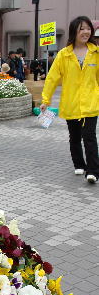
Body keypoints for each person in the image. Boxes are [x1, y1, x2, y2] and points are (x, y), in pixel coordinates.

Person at [40, 16, 99, 184]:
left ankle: (93, 170)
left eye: (88, 28)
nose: (86, 32)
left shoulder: (96, 53)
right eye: (82, 29)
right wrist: (46, 99)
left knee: (89, 136)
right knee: (74, 137)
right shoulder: (63, 55)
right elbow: (52, 78)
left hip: (91, 102)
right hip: (71, 102)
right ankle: (79, 164)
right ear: (74, 31)